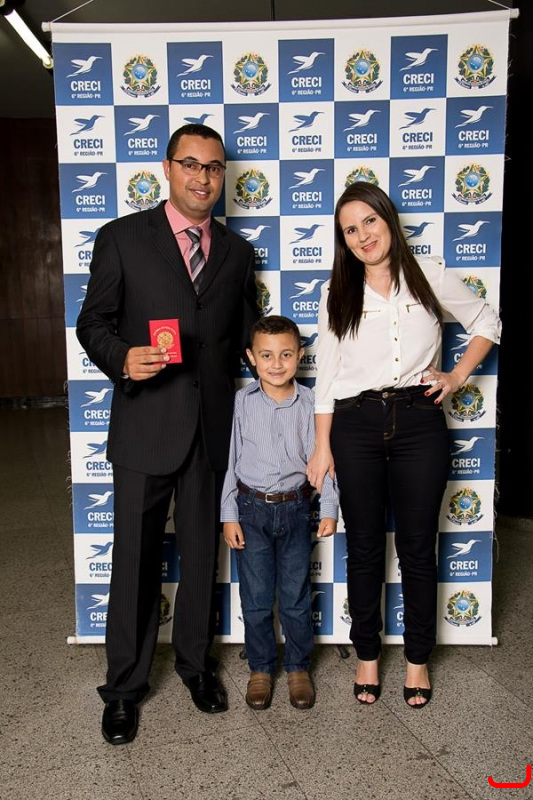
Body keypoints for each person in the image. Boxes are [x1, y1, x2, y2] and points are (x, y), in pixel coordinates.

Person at [76, 123, 259, 744]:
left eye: (214, 167)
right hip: (145, 422)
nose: (203, 177)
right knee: (134, 559)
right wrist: (122, 358)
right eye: (191, 164)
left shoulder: (236, 251)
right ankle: (123, 688)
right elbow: (92, 322)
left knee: (202, 554)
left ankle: (196, 666)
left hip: (211, 428)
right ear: (167, 168)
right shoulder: (122, 237)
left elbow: (245, 334)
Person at [307, 182, 500, 709]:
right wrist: (322, 446)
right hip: (355, 424)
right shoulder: (337, 292)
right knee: (365, 547)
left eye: (369, 221)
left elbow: (486, 320)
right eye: (350, 230)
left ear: (388, 219)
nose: (363, 236)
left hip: (419, 421)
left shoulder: (428, 274)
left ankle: (417, 660)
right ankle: (367, 656)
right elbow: (327, 378)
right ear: (344, 241)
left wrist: (456, 376)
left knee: (417, 547)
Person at [221, 315, 338, 710]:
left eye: (286, 355)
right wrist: (228, 514)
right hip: (250, 510)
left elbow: (323, 458)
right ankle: (260, 668)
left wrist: (329, 505)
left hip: (295, 509)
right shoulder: (241, 402)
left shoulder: (312, 403)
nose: (276, 364)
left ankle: (298, 668)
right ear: (251, 357)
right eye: (267, 355)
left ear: (300, 356)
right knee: (255, 598)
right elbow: (230, 461)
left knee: (295, 596)